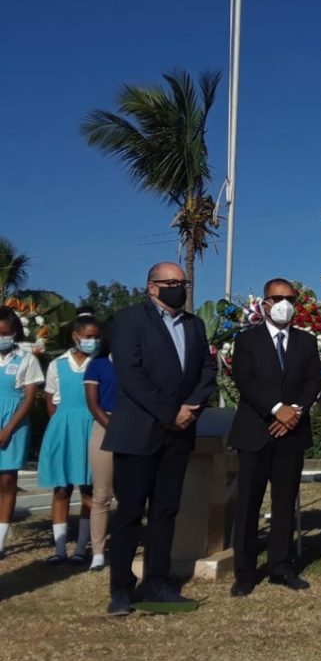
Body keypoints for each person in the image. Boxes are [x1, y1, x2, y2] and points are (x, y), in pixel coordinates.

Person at [103, 262, 217, 616]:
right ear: (152, 287)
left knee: (166, 511)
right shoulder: (129, 320)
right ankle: (122, 589)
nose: (178, 287)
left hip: (179, 434)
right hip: (139, 431)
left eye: (183, 282)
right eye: (171, 282)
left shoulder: (194, 325)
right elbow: (131, 374)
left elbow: (207, 370)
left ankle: (158, 582)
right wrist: (171, 412)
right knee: (130, 512)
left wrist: (191, 408)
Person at [228, 278, 321, 597]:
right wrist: (275, 409)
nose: (285, 304)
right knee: (249, 503)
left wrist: (293, 411)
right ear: (265, 303)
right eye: (278, 298)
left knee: (284, 503)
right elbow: (244, 380)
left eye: (290, 299)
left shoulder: (306, 342)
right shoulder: (247, 340)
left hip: (292, 433)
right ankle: (244, 572)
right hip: (255, 431)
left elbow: (313, 381)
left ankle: (280, 566)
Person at [38, 314, 101, 566]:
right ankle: (60, 548)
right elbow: (51, 401)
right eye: (88, 337)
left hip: (91, 427)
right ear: (76, 336)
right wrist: (61, 427)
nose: (92, 341)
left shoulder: (100, 363)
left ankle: (82, 547)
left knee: (88, 488)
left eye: (97, 337)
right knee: (62, 489)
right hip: (63, 428)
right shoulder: (58, 364)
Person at [0, 306, 44, 559]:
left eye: (5, 333)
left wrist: (7, 429)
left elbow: (29, 399)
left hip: (14, 424)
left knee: (7, 480)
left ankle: (1, 539)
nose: (1, 338)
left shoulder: (26, 359)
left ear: (15, 332)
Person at [84, 329, 117, 572]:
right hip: (105, 425)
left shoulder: (137, 365)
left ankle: (125, 545)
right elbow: (93, 403)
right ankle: (97, 552)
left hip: (133, 427)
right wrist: (112, 426)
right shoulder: (98, 365)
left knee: (131, 493)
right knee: (102, 493)